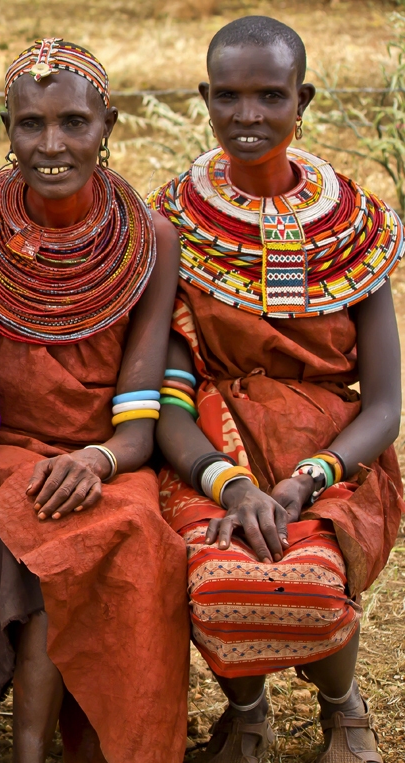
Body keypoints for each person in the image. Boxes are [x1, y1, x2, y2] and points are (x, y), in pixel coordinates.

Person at [151, 16, 403, 763]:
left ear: (304, 99)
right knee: (224, 570)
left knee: (310, 573)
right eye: (228, 96)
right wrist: (227, 484)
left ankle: (343, 710)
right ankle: (249, 711)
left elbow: (386, 402)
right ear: (205, 98)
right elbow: (169, 392)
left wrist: (310, 479)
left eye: (270, 95)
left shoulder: (353, 226)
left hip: (336, 454)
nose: (248, 116)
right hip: (209, 444)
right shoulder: (175, 226)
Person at [0, 39, 188, 763]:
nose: (51, 145)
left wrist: (99, 458)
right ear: (5, 127)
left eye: (74, 122)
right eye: (31, 124)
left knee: (135, 535)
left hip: (110, 459)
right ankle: (29, 753)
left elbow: (139, 422)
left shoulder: (151, 241)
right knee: (48, 522)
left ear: (107, 123)